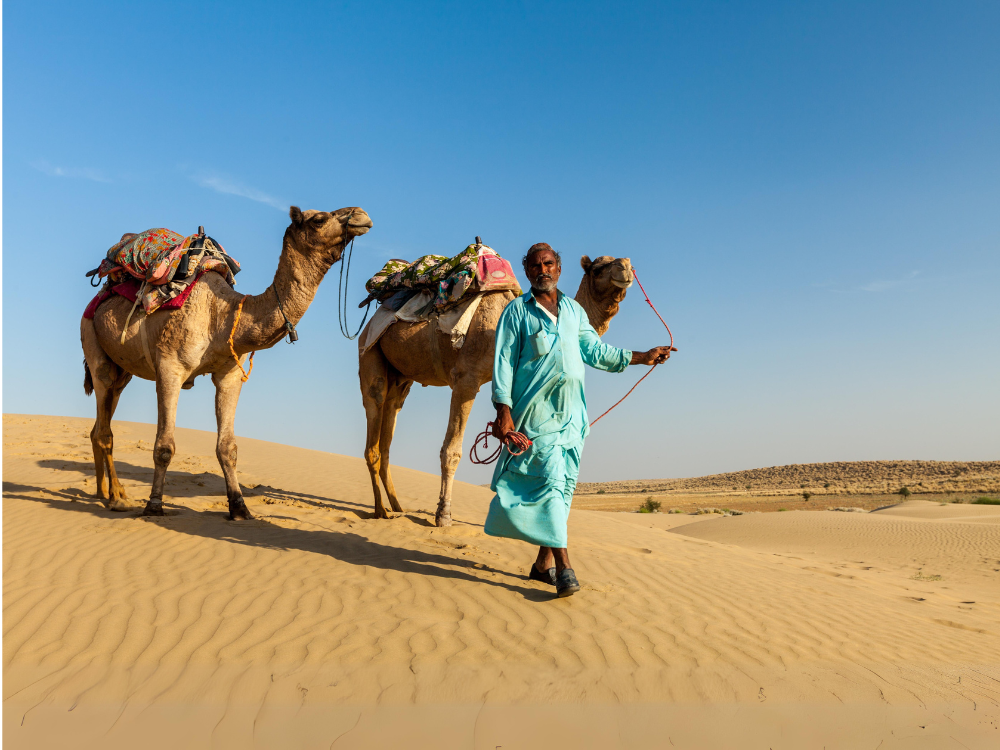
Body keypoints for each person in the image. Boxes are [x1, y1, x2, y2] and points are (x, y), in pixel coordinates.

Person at [484, 243, 673, 597]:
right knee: (553, 482)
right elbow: (503, 364)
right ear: (527, 271)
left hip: (573, 417)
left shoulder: (573, 311)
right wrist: (503, 411)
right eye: (536, 265)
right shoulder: (516, 313)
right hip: (535, 416)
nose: (543, 269)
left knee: (563, 488)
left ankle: (542, 566)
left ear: (559, 268)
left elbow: (596, 352)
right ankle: (565, 568)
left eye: (549, 263)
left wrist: (642, 356)